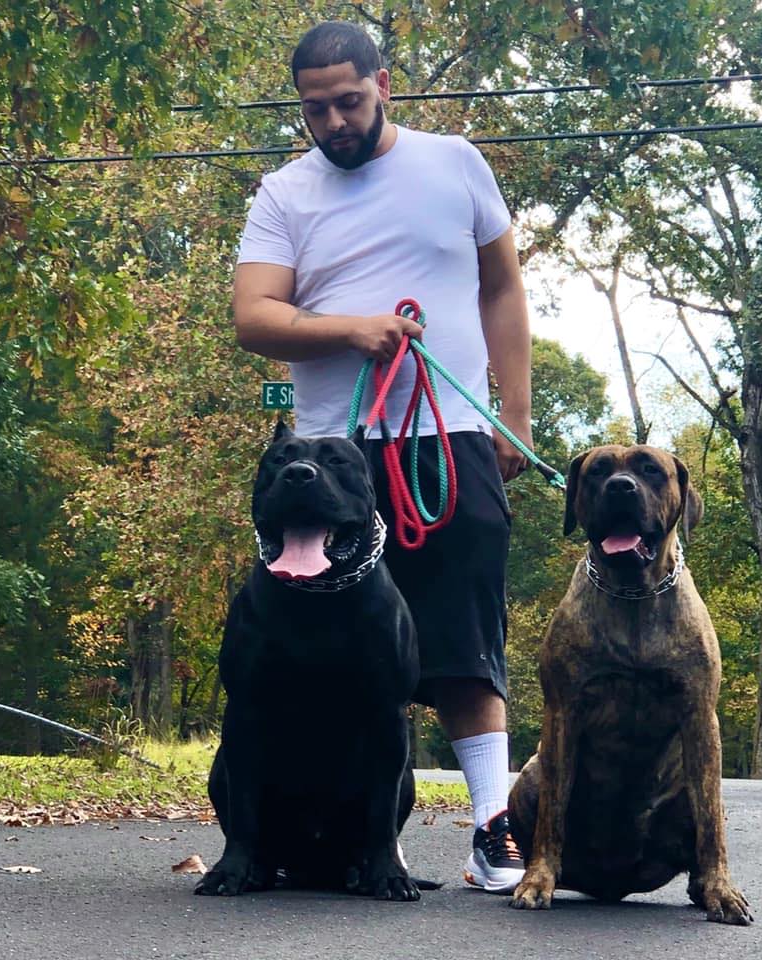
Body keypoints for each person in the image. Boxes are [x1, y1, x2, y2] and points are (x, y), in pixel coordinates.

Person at [232, 20, 532, 894]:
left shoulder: (455, 163)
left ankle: (492, 829)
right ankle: (333, 834)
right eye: (315, 109)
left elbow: (502, 285)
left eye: (349, 102)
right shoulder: (284, 194)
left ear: (384, 86)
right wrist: (352, 330)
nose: (334, 122)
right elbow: (254, 315)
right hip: (332, 461)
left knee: (466, 640)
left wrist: (514, 413)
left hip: (452, 437)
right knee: (315, 648)